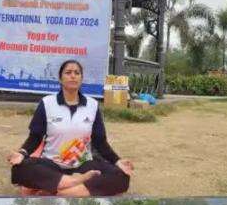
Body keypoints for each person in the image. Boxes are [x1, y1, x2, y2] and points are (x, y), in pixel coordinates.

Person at [8, 59, 133, 197]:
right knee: (19, 169)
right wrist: (22, 153)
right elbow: (35, 137)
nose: (73, 75)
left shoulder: (92, 105)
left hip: (83, 167)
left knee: (122, 176)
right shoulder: (47, 103)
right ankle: (74, 184)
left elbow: (100, 142)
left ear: (81, 79)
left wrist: (118, 161)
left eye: (77, 73)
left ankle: (61, 191)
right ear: (60, 79)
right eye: (68, 72)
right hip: (51, 165)